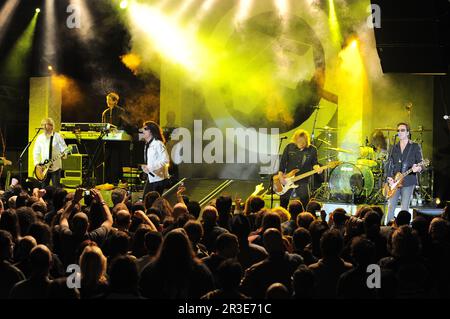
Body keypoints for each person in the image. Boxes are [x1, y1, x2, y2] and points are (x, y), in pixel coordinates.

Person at [385, 122, 423, 223]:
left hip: (408, 180)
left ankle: (403, 230)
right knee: (391, 206)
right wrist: (389, 178)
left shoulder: (414, 146)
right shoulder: (393, 148)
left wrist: (418, 168)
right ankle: (388, 228)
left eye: (402, 130)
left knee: (404, 207)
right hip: (394, 182)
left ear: (407, 132)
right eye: (398, 130)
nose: (400, 132)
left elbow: (421, 163)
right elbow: (389, 164)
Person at [278, 129, 323, 209]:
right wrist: (281, 177)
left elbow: (314, 163)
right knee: (283, 202)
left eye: (303, 142)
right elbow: (282, 164)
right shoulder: (289, 147)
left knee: (305, 202)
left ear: (306, 141)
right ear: (295, 140)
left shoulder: (312, 149)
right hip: (288, 179)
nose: (301, 144)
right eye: (298, 142)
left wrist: (318, 168)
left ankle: (305, 218)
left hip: (303, 180)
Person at [33, 118, 68, 187]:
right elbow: (36, 152)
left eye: (46, 125)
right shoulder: (39, 138)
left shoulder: (58, 136)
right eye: (43, 125)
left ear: (52, 126)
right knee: (43, 188)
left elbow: (65, 149)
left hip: (56, 167)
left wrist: (65, 154)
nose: (44, 127)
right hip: (43, 168)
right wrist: (37, 165)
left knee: (56, 188)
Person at [141, 121, 170, 198]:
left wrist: (150, 167)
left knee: (152, 201)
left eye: (145, 128)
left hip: (159, 179)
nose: (142, 130)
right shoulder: (147, 145)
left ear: (151, 131)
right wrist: (146, 167)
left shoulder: (158, 144)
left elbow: (166, 160)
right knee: (147, 200)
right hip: (152, 177)